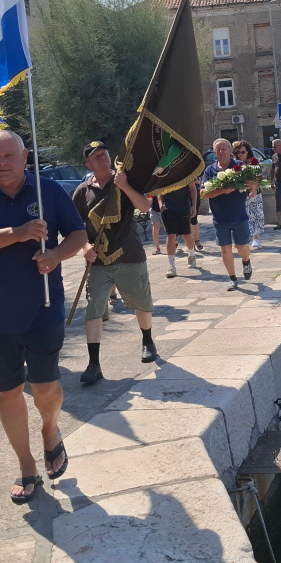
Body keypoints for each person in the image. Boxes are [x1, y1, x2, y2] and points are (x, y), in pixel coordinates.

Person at [0, 130, 88, 501]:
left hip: (43, 308)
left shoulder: (48, 192)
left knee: (45, 387)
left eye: (9, 155)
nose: (2, 163)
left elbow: (78, 235)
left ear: (24, 156)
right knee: (9, 392)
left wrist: (56, 255)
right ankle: (27, 466)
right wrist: (18, 233)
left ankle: (50, 429)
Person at [72, 141, 158, 386]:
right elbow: (74, 227)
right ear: (88, 164)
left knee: (142, 303)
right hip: (98, 262)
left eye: (104, 153)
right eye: (96, 156)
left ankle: (147, 340)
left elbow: (145, 206)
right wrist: (85, 247)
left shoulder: (123, 180)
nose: (102, 158)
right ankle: (94, 364)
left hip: (129, 255)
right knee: (94, 310)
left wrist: (125, 186)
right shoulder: (82, 191)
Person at [201, 138, 253, 290]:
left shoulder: (239, 166)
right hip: (220, 217)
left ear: (230, 151)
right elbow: (203, 193)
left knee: (242, 247)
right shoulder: (210, 170)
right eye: (218, 150)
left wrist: (253, 188)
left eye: (224, 149)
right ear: (214, 152)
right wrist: (222, 190)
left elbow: (252, 183)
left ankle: (246, 261)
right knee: (225, 249)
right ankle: (233, 279)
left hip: (239, 215)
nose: (221, 152)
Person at [160, 179, 199, 278]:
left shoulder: (185, 172)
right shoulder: (163, 174)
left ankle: (192, 255)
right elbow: (159, 190)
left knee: (186, 235)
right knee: (171, 235)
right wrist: (161, 205)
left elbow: (193, 189)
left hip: (184, 207)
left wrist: (193, 206)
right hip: (168, 208)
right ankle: (171, 266)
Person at [234, 140, 265, 248]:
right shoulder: (234, 164)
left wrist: (254, 190)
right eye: (238, 152)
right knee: (243, 217)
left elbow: (258, 178)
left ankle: (256, 238)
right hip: (240, 194)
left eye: (242, 152)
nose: (240, 154)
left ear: (247, 152)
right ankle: (243, 238)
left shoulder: (253, 163)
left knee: (256, 214)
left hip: (254, 193)